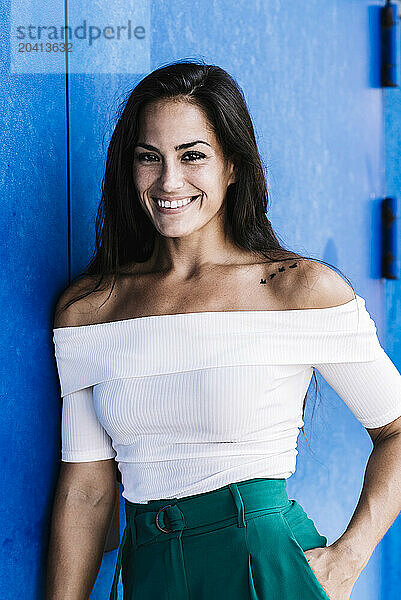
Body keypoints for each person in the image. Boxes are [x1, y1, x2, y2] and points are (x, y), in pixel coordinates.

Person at [46, 59, 401, 600]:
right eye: (149, 157)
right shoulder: (89, 310)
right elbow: (87, 493)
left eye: (193, 156)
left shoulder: (297, 290)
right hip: (150, 574)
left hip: (265, 564)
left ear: (232, 166)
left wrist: (348, 557)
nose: (169, 181)